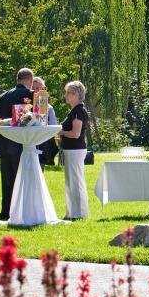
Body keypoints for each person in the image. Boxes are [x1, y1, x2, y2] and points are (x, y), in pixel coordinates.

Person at [0, 67, 35, 221]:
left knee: (7, 182)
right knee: (22, 180)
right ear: (29, 80)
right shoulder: (30, 95)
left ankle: (5, 213)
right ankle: (21, 212)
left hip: (5, 144)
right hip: (21, 144)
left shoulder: (4, 96)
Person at [59, 80, 90, 220]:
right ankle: (72, 212)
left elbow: (75, 134)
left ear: (77, 94)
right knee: (71, 182)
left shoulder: (79, 111)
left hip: (75, 150)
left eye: (69, 93)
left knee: (76, 181)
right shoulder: (75, 110)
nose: (66, 95)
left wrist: (61, 132)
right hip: (71, 150)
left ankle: (79, 213)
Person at [31, 77, 59, 168]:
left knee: (39, 173)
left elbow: (53, 127)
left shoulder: (48, 107)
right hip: (26, 144)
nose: (36, 91)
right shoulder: (24, 106)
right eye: (33, 88)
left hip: (42, 146)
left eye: (38, 89)